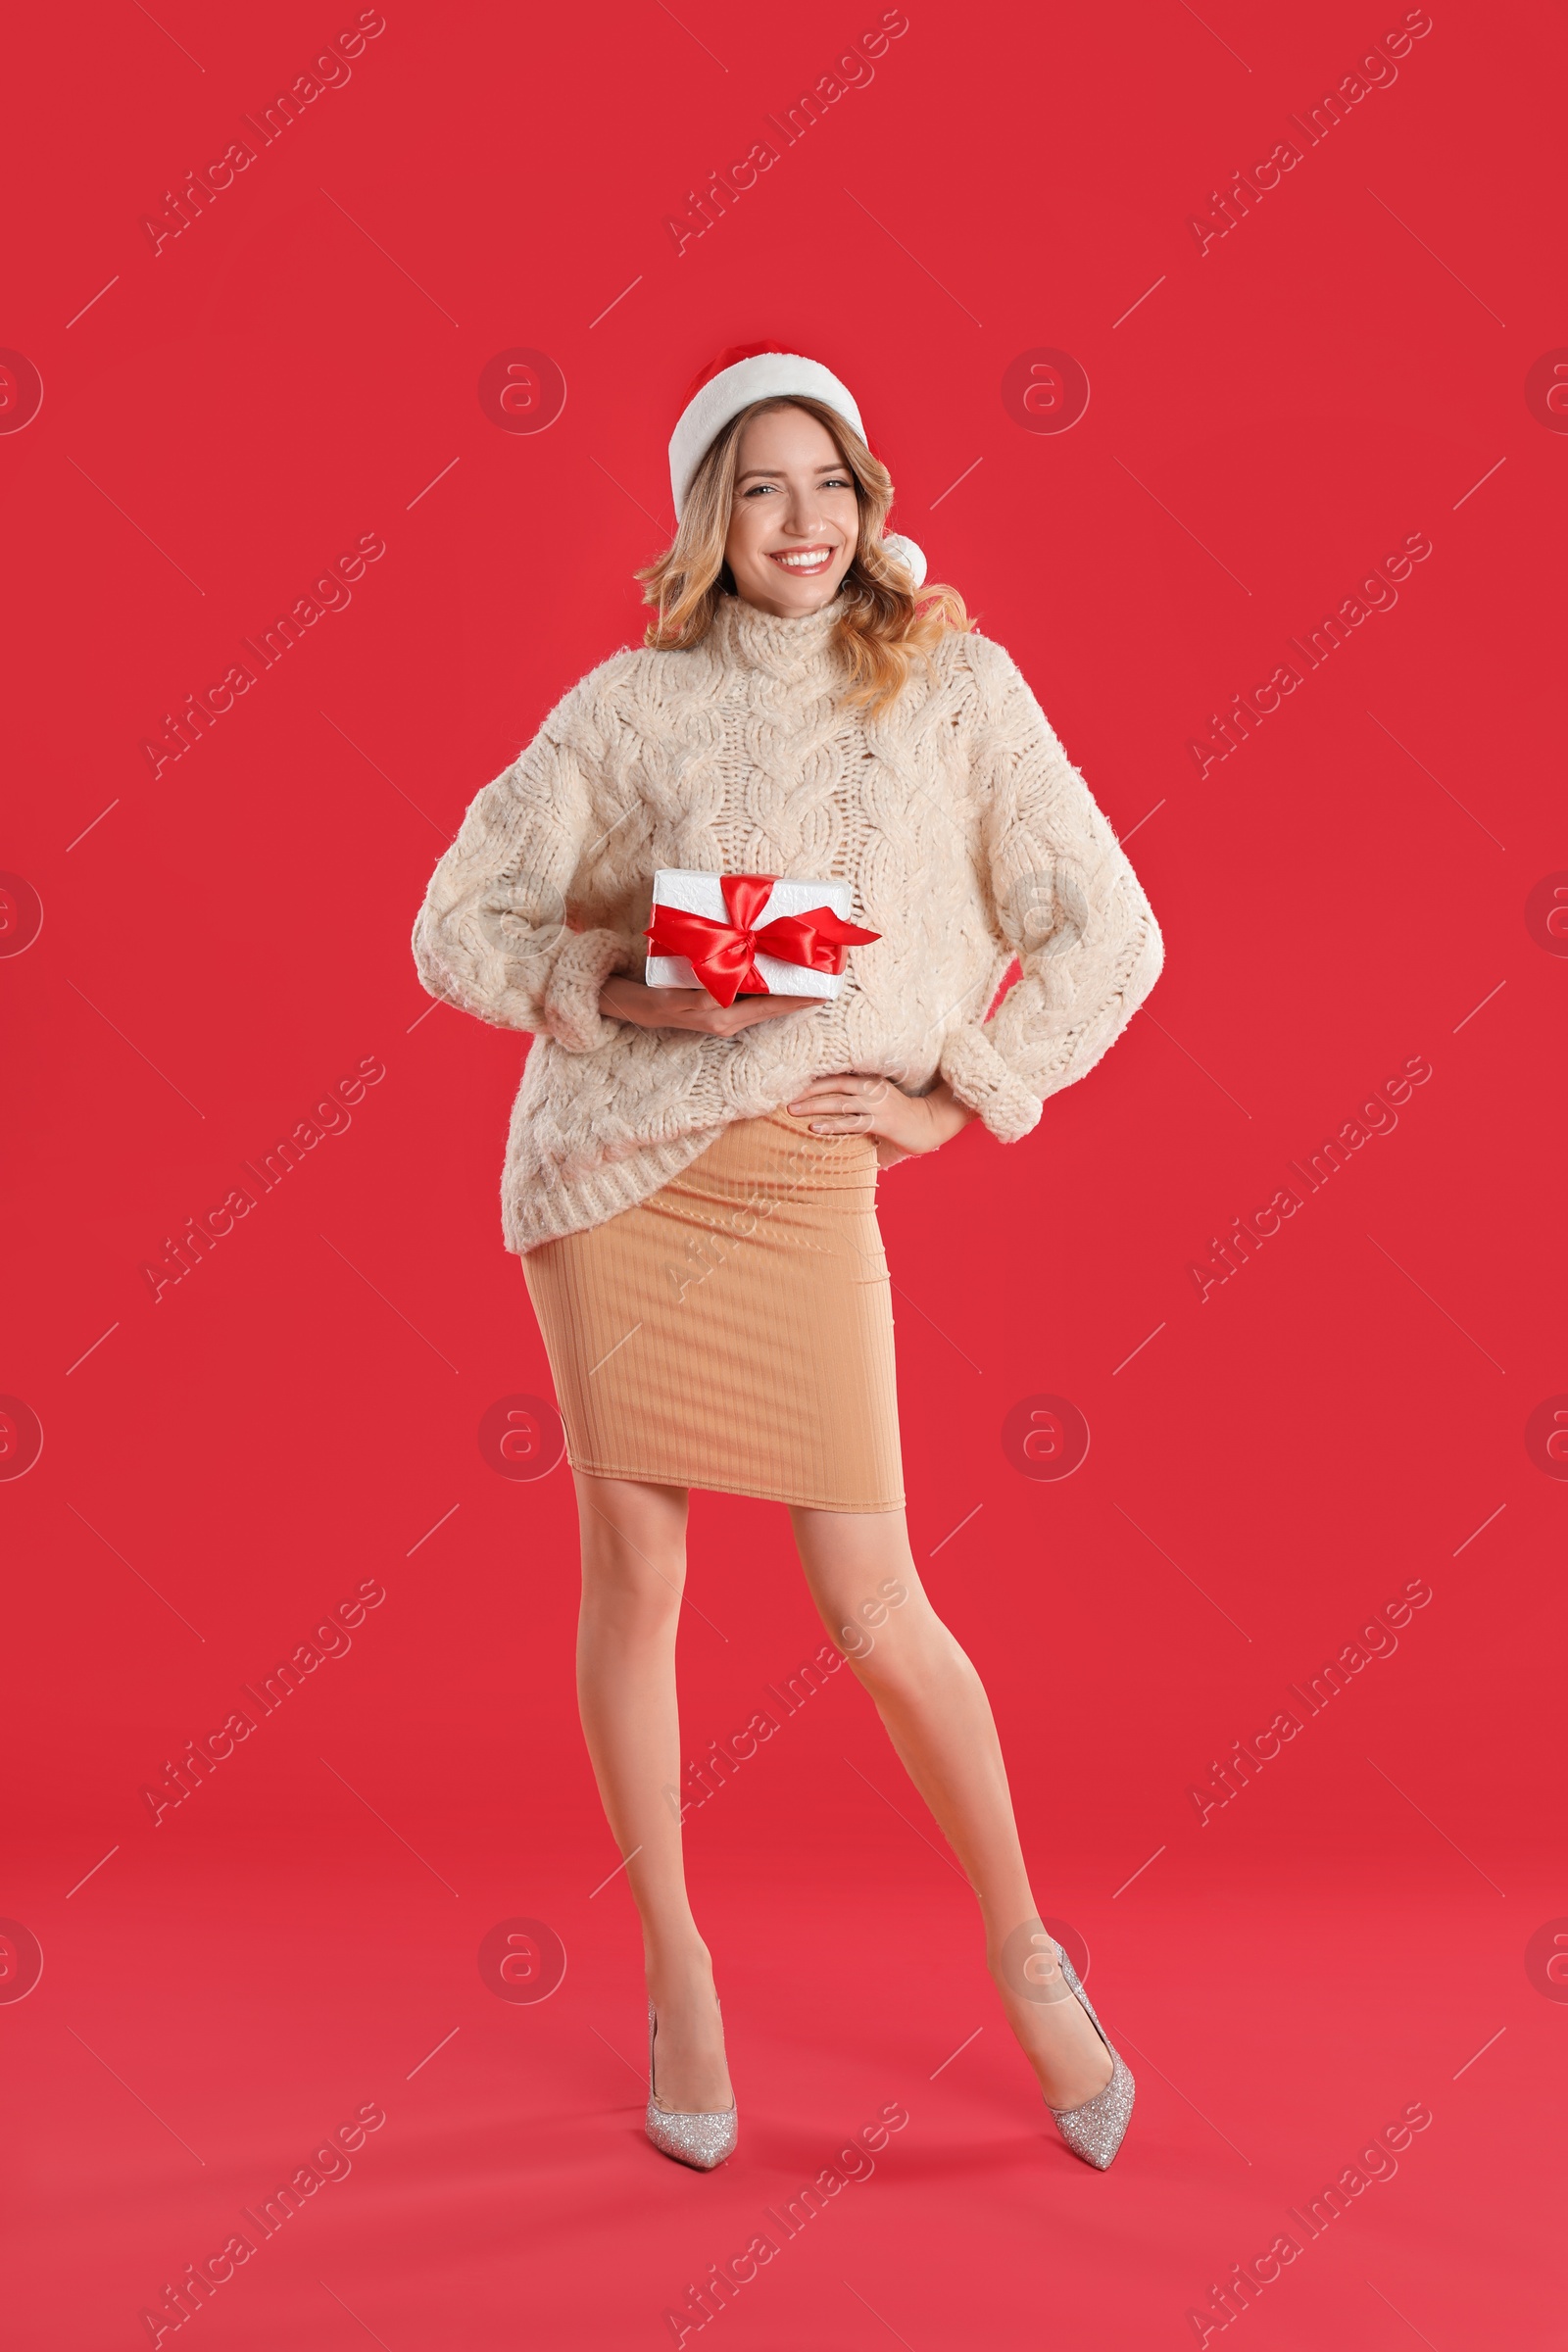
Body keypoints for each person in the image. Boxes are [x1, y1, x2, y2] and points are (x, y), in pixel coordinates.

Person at [413, 345, 1163, 2172]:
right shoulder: (626, 709)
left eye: (830, 482)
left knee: (876, 1600)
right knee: (637, 1583)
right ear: (706, 519)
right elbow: (456, 920)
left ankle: (1026, 1951)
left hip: (803, 1188)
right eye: (759, 487)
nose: (803, 521)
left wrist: (961, 1092)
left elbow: (1113, 931)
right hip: (612, 1177)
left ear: (873, 502)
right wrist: (602, 979)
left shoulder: (956, 687)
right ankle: (677, 1964)